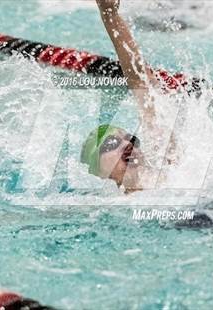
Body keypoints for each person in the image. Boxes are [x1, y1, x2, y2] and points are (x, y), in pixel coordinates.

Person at [81, 0, 178, 193]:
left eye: (132, 139)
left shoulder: (169, 173)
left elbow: (141, 82)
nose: (127, 144)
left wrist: (110, 14)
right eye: (111, 143)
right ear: (98, 172)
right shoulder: (110, 209)